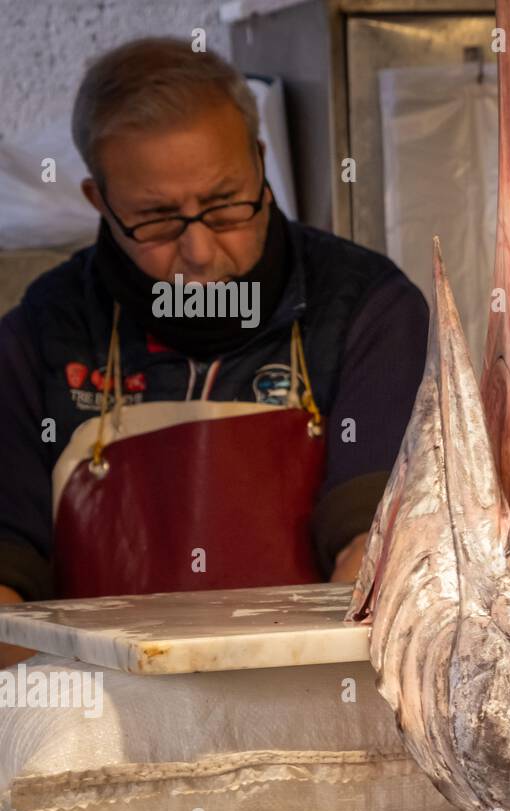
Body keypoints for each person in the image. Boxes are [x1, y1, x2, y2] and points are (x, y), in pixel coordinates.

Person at [0, 38, 428, 663]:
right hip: (101, 718)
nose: (199, 252)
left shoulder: (367, 308)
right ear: (101, 203)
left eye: (225, 205)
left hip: (305, 703)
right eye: (158, 219)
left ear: (260, 163)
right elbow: (7, 581)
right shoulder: (42, 333)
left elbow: (375, 551)